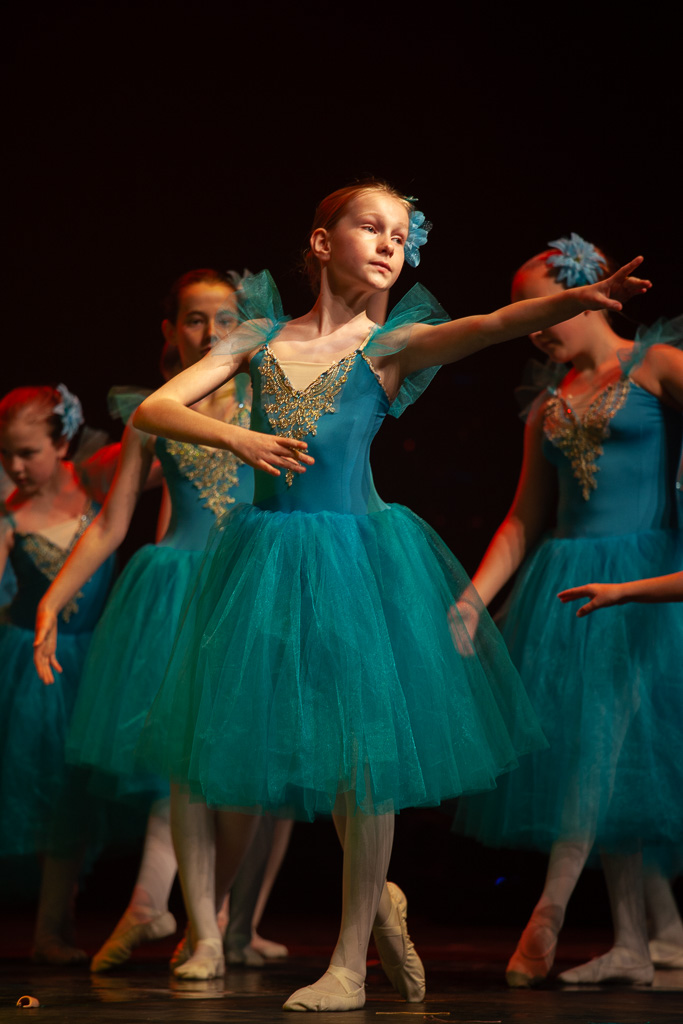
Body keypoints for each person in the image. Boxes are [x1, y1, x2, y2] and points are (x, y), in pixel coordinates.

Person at [125, 182, 647, 1011]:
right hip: (263, 561)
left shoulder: (389, 346)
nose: (387, 245)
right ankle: (348, 910)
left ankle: (344, 960)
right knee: (297, 755)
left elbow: (481, 328)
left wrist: (572, 301)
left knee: (363, 761)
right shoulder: (260, 337)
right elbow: (157, 406)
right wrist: (238, 435)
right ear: (322, 242)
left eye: (401, 237)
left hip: (356, 560)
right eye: (370, 227)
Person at [33, 270, 287, 975]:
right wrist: (54, 598)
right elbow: (112, 524)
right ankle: (204, 934)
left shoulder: (269, 401)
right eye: (195, 320)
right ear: (171, 332)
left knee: (244, 785)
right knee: (184, 770)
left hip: (246, 594)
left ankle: (208, 914)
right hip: (174, 591)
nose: (209, 334)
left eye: (224, 318)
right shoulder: (154, 412)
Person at [454, 234, 683, 987]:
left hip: (641, 577)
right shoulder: (544, 409)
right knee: (607, 754)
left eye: (537, 304)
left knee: (602, 744)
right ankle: (642, 940)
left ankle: (547, 914)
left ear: (586, 290)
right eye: (523, 312)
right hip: (565, 584)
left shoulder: (653, 366)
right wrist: (471, 600)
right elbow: (523, 520)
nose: (532, 322)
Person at [0, 384, 116, 963]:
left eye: (29, 453)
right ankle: (48, 932)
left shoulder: (98, 488)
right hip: (29, 669)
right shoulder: (8, 517)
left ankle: (60, 925)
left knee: (76, 793)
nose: (16, 467)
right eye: (7, 455)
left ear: (63, 441)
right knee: (44, 791)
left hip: (92, 662)